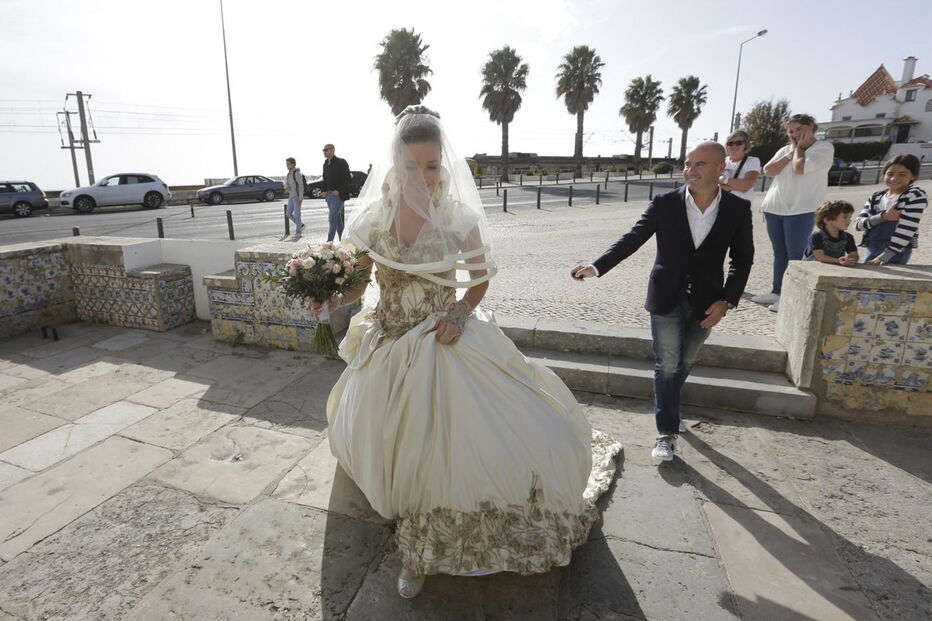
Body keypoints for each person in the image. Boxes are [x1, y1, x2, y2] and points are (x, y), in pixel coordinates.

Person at [320, 106, 621, 599]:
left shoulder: (458, 216)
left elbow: (478, 279)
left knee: (460, 447)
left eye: (432, 165)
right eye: (412, 165)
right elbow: (357, 282)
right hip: (389, 342)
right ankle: (416, 530)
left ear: (444, 163)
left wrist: (460, 313)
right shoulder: (374, 217)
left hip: (444, 336)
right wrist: (330, 296)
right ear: (395, 162)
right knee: (394, 443)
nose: (422, 175)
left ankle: (429, 543)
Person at [570, 142, 753, 465]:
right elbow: (633, 238)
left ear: (720, 167)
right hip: (666, 297)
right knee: (667, 364)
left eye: (699, 164)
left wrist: (726, 300)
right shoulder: (665, 204)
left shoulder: (737, 210)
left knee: (686, 360)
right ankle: (666, 433)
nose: (690, 170)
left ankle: (669, 405)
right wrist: (596, 267)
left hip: (707, 301)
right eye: (687, 164)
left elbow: (743, 259)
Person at [752, 114, 833, 312]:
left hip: (800, 209)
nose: (795, 134)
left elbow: (799, 168)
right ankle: (777, 290)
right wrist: (792, 151)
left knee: (795, 254)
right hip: (775, 207)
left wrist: (800, 150)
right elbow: (769, 170)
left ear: (811, 128)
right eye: (791, 131)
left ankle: (791, 296)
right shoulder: (786, 149)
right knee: (779, 252)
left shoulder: (823, 148)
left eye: (799, 130)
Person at [855, 154, 927, 265]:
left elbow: (907, 229)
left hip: (894, 252)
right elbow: (858, 225)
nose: (894, 179)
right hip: (872, 248)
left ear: (913, 176)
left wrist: (884, 256)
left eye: (902, 175)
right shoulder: (876, 197)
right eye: (890, 174)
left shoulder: (914, 195)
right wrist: (883, 217)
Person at [803, 200, 858, 266]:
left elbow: (854, 254)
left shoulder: (848, 237)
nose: (849, 220)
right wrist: (838, 261)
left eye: (850, 217)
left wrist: (850, 260)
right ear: (827, 220)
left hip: (834, 267)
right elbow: (820, 256)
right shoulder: (817, 236)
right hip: (812, 268)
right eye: (845, 217)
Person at [718, 130, 761, 204]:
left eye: (739, 143)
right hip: (720, 206)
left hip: (742, 209)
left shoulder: (752, 161)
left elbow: (747, 185)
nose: (734, 146)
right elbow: (713, 184)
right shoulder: (721, 161)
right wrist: (739, 187)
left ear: (746, 145)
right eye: (730, 143)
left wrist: (723, 179)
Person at [322, 143, 351, 242]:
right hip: (329, 196)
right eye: (323, 150)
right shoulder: (325, 163)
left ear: (332, 150)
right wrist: (324, 191)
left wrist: (339, 191)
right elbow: (325, 179)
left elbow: (347, 178)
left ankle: (328, 243)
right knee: (337, 220)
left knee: (332, 218)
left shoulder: (341, 162)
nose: (324, 152)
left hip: (338, 196)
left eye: (326, 150)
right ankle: (343, 242)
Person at [284, 157, 305, 241]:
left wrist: (300, 198)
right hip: (291, 196)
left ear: (293, 164)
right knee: (288, 213)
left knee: (297, 214)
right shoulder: (288, 174)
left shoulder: (297, 173)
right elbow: (287, 185)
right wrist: (286, 187)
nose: (287, 165)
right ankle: (301, 225)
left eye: (288, 164)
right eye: (286, 164)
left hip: (297, 196)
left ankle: (298, 232)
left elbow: (301, 186)